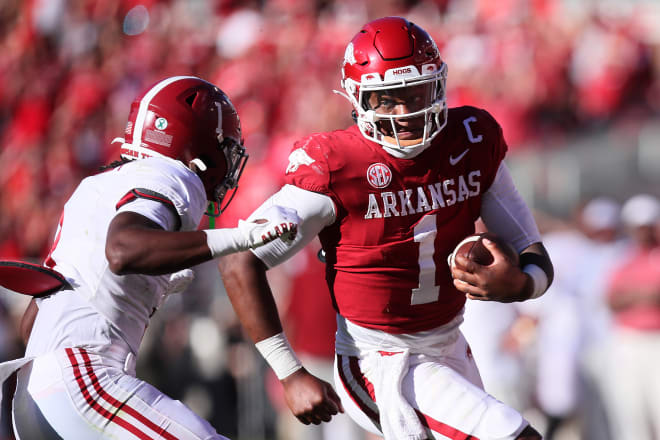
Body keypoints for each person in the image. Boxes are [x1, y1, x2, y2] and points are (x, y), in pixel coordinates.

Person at [218, 17, 554, 440]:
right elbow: (239, 261)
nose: (406, 111)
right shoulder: (336, 163)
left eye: (416, 93)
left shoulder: (471, 138)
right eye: (387, 99)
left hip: (451, 344)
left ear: (439, 83)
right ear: (358, 99)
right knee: (516, 435)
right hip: (380, 360)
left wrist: (522, 285)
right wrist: (289, 372)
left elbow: (532, 248)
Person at [0, 76, 300, 439]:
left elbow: (32, 321)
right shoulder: (171, 174)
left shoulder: (94, 187)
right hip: (84, 381)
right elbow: (123, 249)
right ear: (197, 144)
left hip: (30, 396)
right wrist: (240, 237)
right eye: (225, 148)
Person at [603, 193, 660, 440]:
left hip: (655, 339)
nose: (643, 232)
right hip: (628, 340)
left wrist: (636, 296)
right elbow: (612, 300)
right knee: (631, 412)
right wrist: (644, 295)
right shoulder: (622, 256)